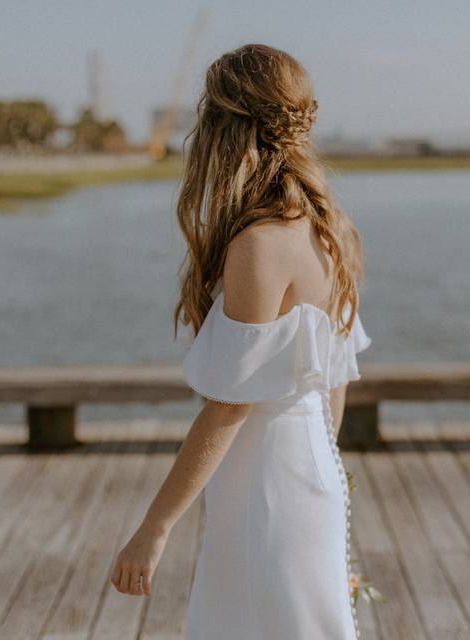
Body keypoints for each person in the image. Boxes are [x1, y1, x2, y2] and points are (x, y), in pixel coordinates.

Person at [110, 43, 372, 639]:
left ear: (224, 131)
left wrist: (155, 526)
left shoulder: (258, 245)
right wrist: (317, 462)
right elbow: (334, 381)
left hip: (268, 484)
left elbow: (231, 402)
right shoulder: (330, 228)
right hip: (307, 471)